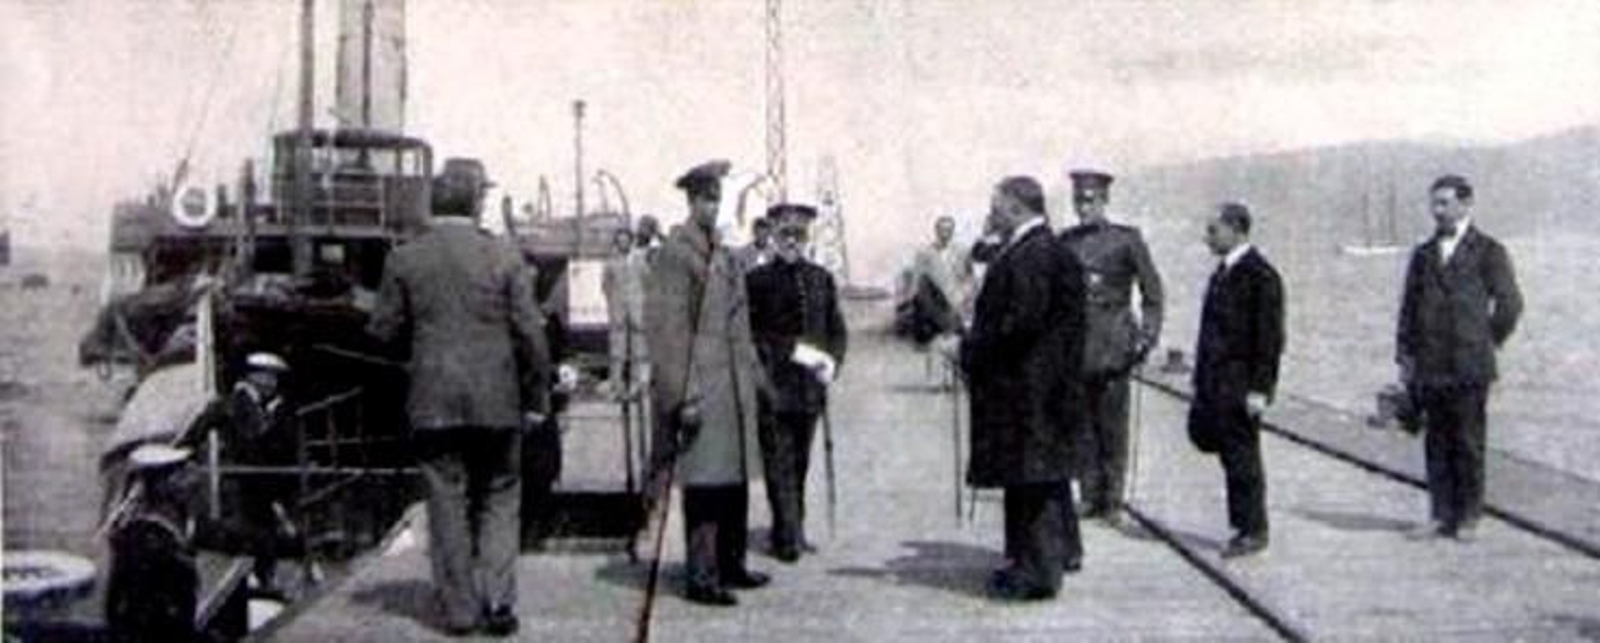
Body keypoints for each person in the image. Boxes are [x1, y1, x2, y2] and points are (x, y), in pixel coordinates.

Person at [367, 157, 550, 637]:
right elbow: (531, 333)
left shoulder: (405, 257)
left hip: (433, 400)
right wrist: (537, 398)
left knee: (445, 499)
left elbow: (382, 332)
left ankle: (459, 611)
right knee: (500, 495)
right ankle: (497, 603)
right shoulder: (504, 254)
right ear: (476, 201)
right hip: (498, 399)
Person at [645, 160, 771, 606]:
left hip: (733, 387)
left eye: (718, 198)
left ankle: (732, 564)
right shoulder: (676, 254)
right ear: (691, 201)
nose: (714, 206)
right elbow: (668, 332)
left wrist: (757, 380)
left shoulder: (723, 252)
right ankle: (702, 575)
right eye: (707, 198)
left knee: (732, 481)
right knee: (703, 484)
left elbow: (741, 324)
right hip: (704, 385)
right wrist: (686, 394)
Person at [959, 176, 1086, 600]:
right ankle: (1023, 563)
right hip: (1035, 390)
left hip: (1031, 391)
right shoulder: (1038, 249)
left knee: (1035, 480)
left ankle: (1039, 575)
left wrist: (971, 346)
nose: (991, 213)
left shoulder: (1033, 255)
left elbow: (1021, 323)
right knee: (1028, 477)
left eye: (996, 205)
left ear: (1015, 207)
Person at [1397, 174, 1522, 542]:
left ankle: (1469, 516)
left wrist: (1486, 341)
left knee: (1468, 440)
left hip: (1469, 365)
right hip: (1430, 364)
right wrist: (1405, 356)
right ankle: (1440, 514)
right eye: (1434, 204)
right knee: (1436, 440)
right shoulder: (1422, 255)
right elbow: (1408, 309)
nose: (1438, 212)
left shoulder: (1489, 250)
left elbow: (1510, 304)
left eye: (1445, 203)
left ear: (1466, 205)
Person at [1057, 169, 1165, 524]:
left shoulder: (1127, 240)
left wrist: (1147, 337)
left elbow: (1152, 293)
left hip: (1113, 346)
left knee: (1112, 427)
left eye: (1090, 200)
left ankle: (1114, 500)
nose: (1083, 207)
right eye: (1078, 200)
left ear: (1104, 201)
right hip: (1076, 348)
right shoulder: (1065, 241)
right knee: (1081, 427)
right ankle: (1089, 496)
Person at [746, 202, 848, 563]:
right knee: (779, 462)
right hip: (774, 386)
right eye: (785, 234)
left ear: (807, 238)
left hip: (810, 391)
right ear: (773, 235)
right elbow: (755, 334)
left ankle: (792, 529)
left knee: (800, 462)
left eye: (798, 235)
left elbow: (836, 329)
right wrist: (798, 353)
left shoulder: (821, 278)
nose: (791, 240)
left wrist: (833, 362)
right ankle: (787, 535)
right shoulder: (757, 281)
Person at [1187, 203, 1284, 559]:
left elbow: (1270, 340)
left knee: (1242, 457)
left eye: (1213, 230)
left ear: (1235, 229)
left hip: (1241, 386)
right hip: (1216, 384)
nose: (1207, 237)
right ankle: (1242, 524)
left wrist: (1261, 389)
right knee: (1227, 453)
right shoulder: (1223, 273)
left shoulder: (1260, 276)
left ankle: (1252, 529)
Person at [217, 351, 296, 598]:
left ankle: (263, 580)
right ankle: (248, 583)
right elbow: (251, 439)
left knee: (265, 532)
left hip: (264, 480)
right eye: (267, 377)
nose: (272, 383)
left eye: (274, 378)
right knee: (251, 531)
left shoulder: (272, 406)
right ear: (254, 377)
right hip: (245, 479)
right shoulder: (237, 402)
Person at [106, 444, 201, 643]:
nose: (189, 481)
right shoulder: (145, 537)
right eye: (179, 475)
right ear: (161, 484)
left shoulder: (173, 518)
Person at [602, 227, 649, 397]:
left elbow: (647, 281)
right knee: (617, 350)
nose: (623, 243)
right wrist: (614, 303)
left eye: (626, 240)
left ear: (631, 241)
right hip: (618, 311)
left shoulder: (639, 260)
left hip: (637, 310)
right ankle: (617, 385)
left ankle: (637, 385)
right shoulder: (611, 262)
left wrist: (641, 302)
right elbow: (606, 285)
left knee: (639, 349)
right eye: (620, 240)